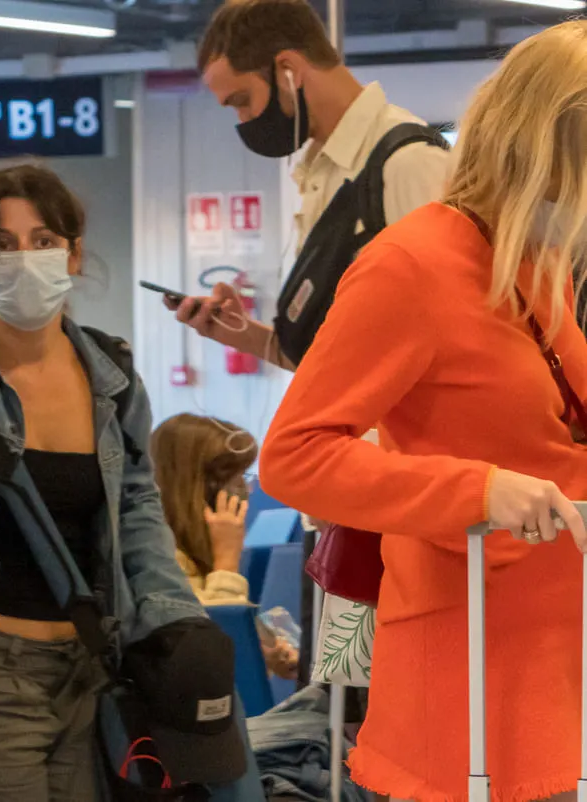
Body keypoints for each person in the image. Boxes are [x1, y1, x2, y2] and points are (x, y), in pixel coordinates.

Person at [0, 164, 264, 802]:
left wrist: (175, 626)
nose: (24, 259)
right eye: (3, 244)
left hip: (87, 676)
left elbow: (135, 507)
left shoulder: (111, 377)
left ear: (73, 253)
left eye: (43, 239)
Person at [259, 20, 587, 800]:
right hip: (467, 683)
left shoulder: (536, 263)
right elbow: (297, 454)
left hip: (555, 665)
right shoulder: (413, 265)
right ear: (548, 150)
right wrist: (475, 491)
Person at [167, 0, 449, 370]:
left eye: (243, 101)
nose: (243, 119)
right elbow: (334, 365)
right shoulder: (324, 173)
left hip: (396, 429)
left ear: (288, 69)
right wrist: (241, 334)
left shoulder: (407, 163)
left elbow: (452, 337)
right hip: (344, 428)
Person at [151, 412, 298, 680]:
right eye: (235, 478)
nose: (245, 490)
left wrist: (262, 657)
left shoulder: (196, 554)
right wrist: (227, 564)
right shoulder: (158, 559)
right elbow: (203, 650)